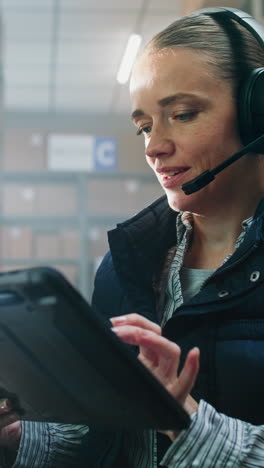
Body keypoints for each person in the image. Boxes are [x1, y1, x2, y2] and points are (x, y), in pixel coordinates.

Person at [0, 5, 263, 467]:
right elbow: (104, 437)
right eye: (144, 126)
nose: (152, 146)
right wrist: (20, 436)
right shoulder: (124, 266)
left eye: (182, 114)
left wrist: (186, 423)